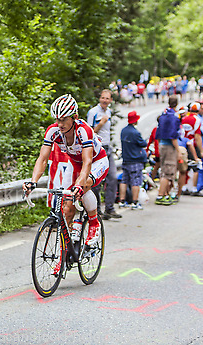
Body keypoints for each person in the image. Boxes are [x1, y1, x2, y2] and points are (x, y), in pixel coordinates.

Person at [23, 94, 109, 249]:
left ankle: (94, 223)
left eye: (64, 119)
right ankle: (63, 256)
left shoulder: (83, 131)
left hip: (97, 162)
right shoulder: (53, 131)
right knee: (67, 209)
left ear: (74, 117)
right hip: (75, 164)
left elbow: (88, 161)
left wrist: (79, 184)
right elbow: (43, 158)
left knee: (83, 186)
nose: (60, 123)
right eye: (57, 119)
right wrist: (33, 181)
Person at [86, 89, 121, 220]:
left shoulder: (109, 112)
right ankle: (96, 210)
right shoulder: (93, 112)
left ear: (111, 100)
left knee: (112, 178)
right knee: (96, 182)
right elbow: (88, 133)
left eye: (107, 98)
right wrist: (100, 124)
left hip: (108, 148)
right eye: (103, 98)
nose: (105, 100)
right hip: (96, 150)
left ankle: (110, 208)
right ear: (99, 98)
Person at [118, 111, 148, 209]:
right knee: (136, 181)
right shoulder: (135, 132)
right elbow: (143, 143)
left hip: (126, 159)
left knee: (124, 180)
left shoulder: (123, 131)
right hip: (135, 160)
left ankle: (122, 201)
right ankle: (135, 203)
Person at [155, 95, 181, 205]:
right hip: (170, 146)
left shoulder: (163, 115)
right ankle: (161, 196)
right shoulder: (174, 117)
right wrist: (178, 150)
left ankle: (165, 193)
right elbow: (173, 136)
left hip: (161, 144)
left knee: (164, 168)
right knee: (168, 171)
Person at [182, 102, 203, 196]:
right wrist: (201, 150)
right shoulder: (197, 119)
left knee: (185, 167)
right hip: (193, 145)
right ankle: (195, 189)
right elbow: (197, 136)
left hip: (183, 144)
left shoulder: (184, 118)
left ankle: (184, 187)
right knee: (197, 166)